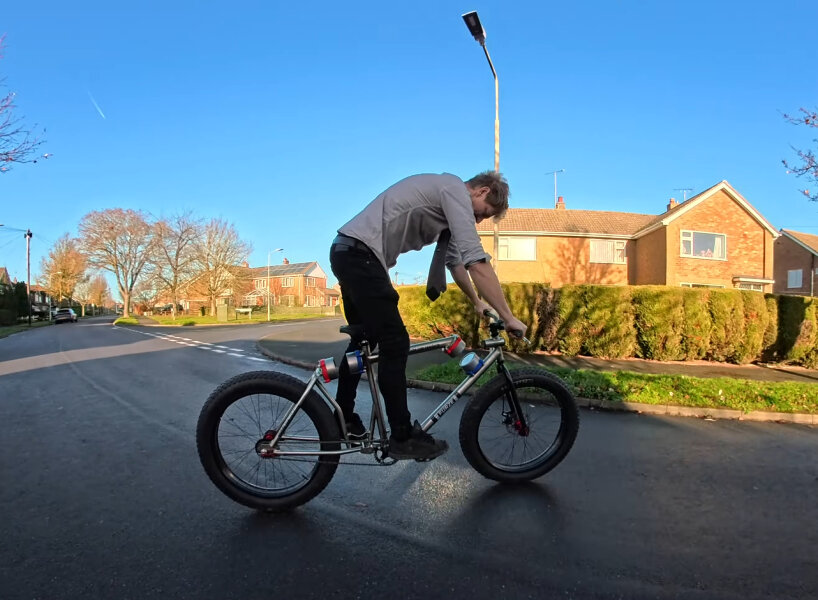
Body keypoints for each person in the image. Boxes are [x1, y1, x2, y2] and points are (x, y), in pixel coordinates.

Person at [329, 171, 527, 461]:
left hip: (349, 251)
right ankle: (402, 436)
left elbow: (457, 262)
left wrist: (477, 302)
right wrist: (509, 316)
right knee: (395, 342)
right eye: (483, 215)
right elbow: (476, 260)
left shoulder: (449, 200)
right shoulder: (454, 190)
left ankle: (342, 416)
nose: (478, 222)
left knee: (365, 341)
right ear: (482, 191)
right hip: (361, 255)